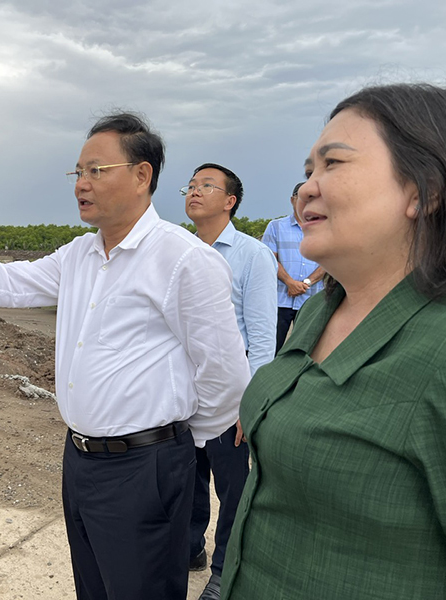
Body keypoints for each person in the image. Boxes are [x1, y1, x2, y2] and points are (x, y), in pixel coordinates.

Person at [0, 112, 251, 600]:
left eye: (96, 170)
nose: (82, 183)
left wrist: (177, 444)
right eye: (77, 172)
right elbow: (10, 283)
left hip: (147, 466)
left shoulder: (183, 259)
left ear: (143, 176)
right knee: (95, 588)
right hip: (80, 460)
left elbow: (224, 372)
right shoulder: (80, 254)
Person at [222, 83, 446, 599]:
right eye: (310, 169)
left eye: (333, 164)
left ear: (424, 190)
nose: (308, 186)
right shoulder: (321, 311)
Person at [182, 163, 277, 600]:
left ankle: (223, 570)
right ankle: (191, 549)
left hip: (229, 391)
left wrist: (250, 402)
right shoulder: (180, 248)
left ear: (230, 201)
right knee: (187, 476)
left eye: (207, 185)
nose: (194, 191)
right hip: (184, 387)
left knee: (233, 486)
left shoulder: (252, 255)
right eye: (191, 185)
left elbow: (261, 337)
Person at [262, 183, 325, 351]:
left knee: (306, 349)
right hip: (280, 299)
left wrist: (306, 282)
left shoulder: (325, 229)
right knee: (272, 347)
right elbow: (269, 259)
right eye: (303, 197)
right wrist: (290, 282)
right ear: (292, 200)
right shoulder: (275, 227)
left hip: (311, 299)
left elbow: (327, 262)